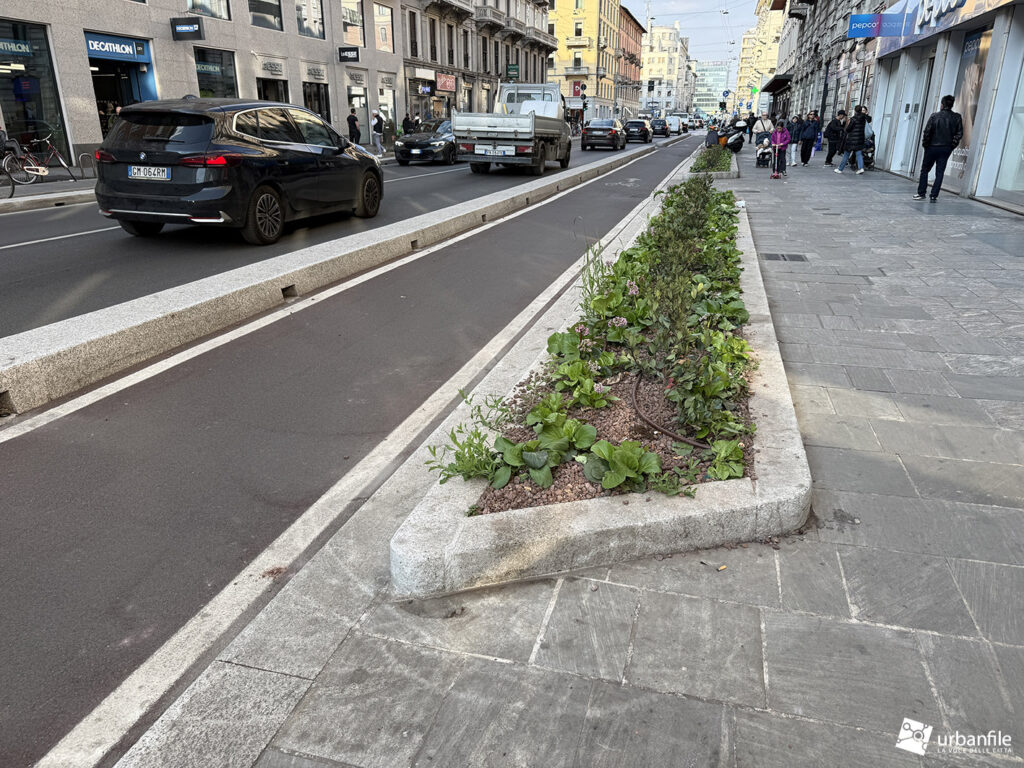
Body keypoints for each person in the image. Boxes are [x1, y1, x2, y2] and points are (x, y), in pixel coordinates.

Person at [915, 94, 964, 202]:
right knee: (940, 172)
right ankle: (934, 195)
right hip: (946, 148)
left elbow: (927, 132)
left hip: (932, 147)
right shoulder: (957, 117)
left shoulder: (934, 116)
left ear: (942, 105)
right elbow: (959, 134)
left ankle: (921, 193)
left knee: (925, 170)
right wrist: (951, 146)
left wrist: (926, 145)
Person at [835, 104, 871, 174]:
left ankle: (840, 169)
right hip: (860, 139)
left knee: (846, 154)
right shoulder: (863, 118)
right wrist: (865, 114)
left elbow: (848, 129)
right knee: (859, 154)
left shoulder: (853, 119)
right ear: (861, 110)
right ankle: (861, 168)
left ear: (855, 111)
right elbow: (869, 119)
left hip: (851, 140)